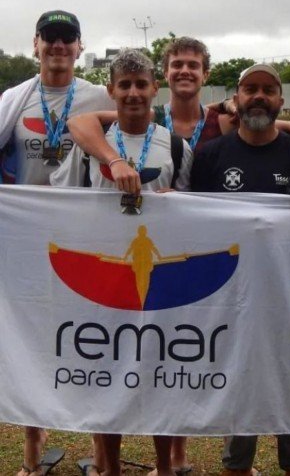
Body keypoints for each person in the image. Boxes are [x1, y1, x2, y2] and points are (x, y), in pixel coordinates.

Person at [50, 49, 191, 476]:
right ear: (110, 90)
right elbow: (64, 203)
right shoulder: (90, 144)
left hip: (158, 283)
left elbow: (197, 212)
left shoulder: (178, 146)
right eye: (124, 85)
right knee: (104, 377)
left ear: (155, 89)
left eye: (141, 84)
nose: (133, 93)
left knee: (161, 373)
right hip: (105, 280)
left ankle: (164, 467)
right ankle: (108, 467)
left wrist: (177, 202)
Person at [191, 63, 290, 476]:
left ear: (281, 101)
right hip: (232, 301)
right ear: (237, 98)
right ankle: (238, 463)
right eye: (251, 89)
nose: (259, 96)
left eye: (268, 89)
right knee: (239, 391)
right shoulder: (211, 156)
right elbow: (193, 223)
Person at [0, 9, 116, 476]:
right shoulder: (14, 98)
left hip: (82, 234)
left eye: (68, 39)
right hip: (26, 237)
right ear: (36, 44)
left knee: (91, 333)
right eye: (50, 38)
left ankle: (100, 449)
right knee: (29, 336)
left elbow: (129, 142)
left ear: (79, 47)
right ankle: (33, 450)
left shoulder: (98, 96)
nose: (59, 47)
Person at [66, 37, 290, 196]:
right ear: (165, 76)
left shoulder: (224, 121)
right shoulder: (148, 115)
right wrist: (114, 160)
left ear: (206, 74)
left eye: (193, 65)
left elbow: (280, 124)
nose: (185, 70)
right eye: (177, 65)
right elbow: (80, 122)